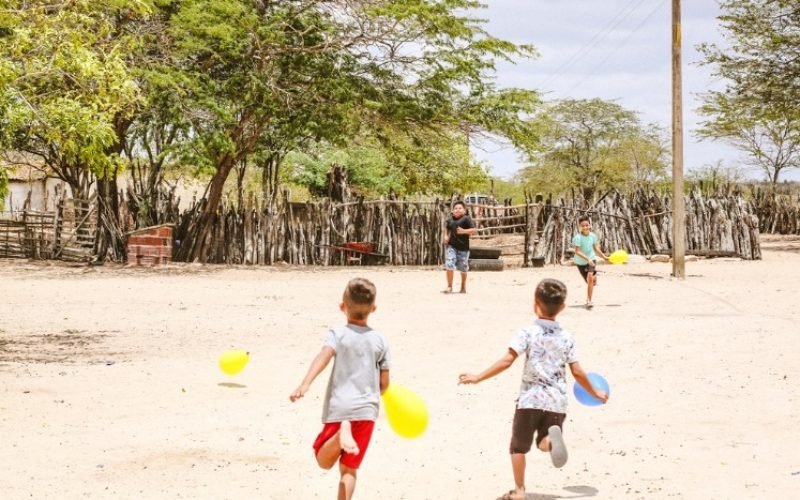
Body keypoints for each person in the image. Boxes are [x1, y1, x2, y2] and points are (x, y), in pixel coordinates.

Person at [458, 278, 608, 500]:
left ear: (535, 303)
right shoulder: (567, 338)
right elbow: (577, 372)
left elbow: (507, 361)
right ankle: (549, 441)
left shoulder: (528, 333)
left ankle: (519, 491)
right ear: (563, 307)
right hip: (557, 401)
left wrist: (478, 377)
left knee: (518, 447)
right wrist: (596, 393)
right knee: (542, 441)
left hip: (530, 400)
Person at [289, 277, 391, 500]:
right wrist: (377, 392)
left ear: (342, 306)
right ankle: (343, 435)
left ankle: (339, 436)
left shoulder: (338, 334)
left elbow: (324, 356)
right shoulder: (380, 340)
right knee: (349, 469)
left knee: (322, 460)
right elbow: (384, 384)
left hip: (341, 408)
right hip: (366, 411)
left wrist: (305, 383)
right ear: (373, 308)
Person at [572, 215, 609, 308]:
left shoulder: (593, 236)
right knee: (591, 281)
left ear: (590, 225)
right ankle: (593, 279)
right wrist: (587, 259)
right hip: (580, 262)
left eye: (587, 225)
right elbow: (577, 251)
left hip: (591, 260)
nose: (585, 227)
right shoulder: (578, 237)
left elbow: (596, 248)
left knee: (590, 279)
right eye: (583, 225)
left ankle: (589, 300)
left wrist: (604, 257)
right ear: (579, 226)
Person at [442, 200, 478, 293]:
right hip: (452, 246)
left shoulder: (466, 219)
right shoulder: (450, 219)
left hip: (463, 249)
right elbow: (447, 227)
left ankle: (463, 287)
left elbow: (474, 230)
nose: (457, 210)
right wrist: (445, 236)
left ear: (464, 210)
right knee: (449, 263)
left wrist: (464, 231)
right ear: (452, 210)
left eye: (460, 208)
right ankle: (449, 286)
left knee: (463, 268)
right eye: (455, 208)